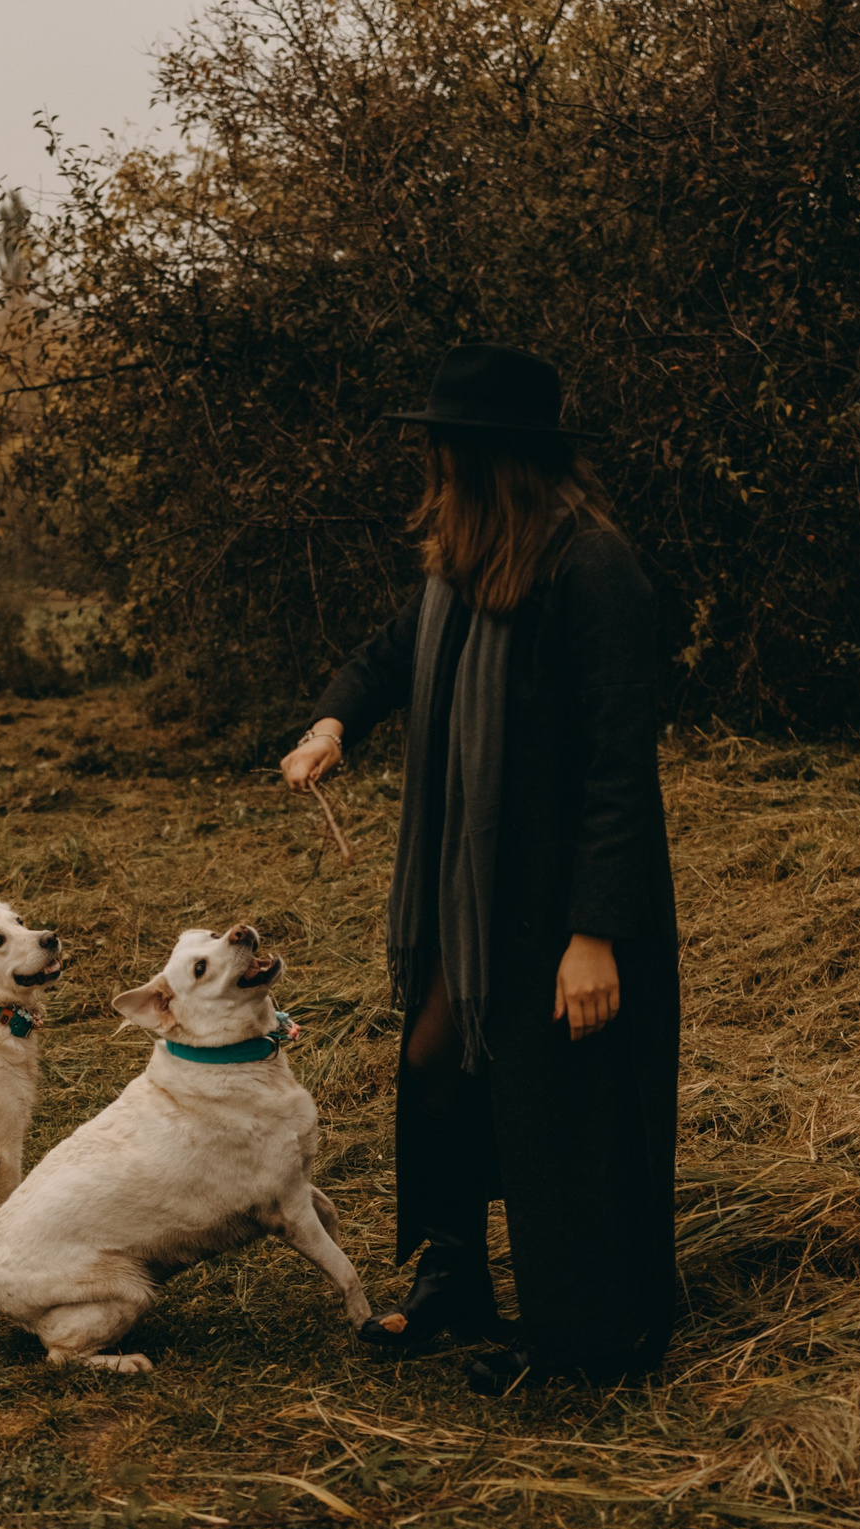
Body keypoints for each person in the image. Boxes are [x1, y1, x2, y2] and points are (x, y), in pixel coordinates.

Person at [282, 343, 680, 1394]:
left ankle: (587, 1344)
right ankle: (458, 1277)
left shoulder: (590, 569)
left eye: (445, 450)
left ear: (490, 457)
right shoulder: (459, 566)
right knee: (437, 1069)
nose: (433, 470)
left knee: (569, 1121)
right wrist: (333, 722)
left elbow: (615, 768)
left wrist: (594, 934)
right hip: (471, 899)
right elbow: (386, 653)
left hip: (560, 906)